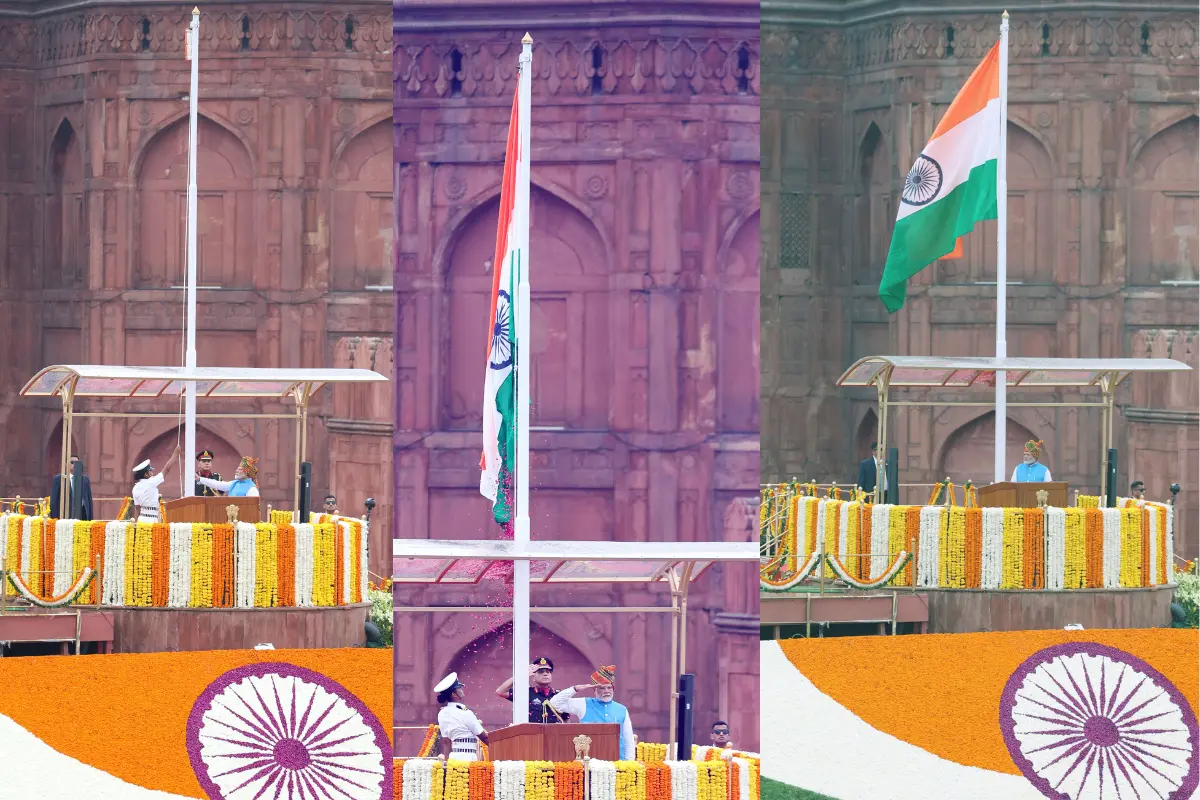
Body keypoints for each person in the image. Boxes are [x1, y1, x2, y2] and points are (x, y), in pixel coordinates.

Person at [549, 665, 635, 760]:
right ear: (595, 690)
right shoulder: (584, 704)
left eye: (609, 688)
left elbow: (628, 739)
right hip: (589, 762)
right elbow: (554, 703)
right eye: (602, 688)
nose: (606, 691)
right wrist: (575, 689)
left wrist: (629, 762)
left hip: (618, 761)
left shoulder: (622, 709)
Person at [495, 656, 571, 723]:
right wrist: (521, 675)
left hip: (554, 736)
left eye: (548, 672)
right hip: (531, 736)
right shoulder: (526, 693)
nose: (545, 674)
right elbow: (500, 691)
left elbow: (566, 720)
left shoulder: (559, 695)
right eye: (541, 672)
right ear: (533, 678)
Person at [435, 672, 488, 760]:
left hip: (453, 759)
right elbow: (484, 737)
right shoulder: (465, 713)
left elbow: (446, 742)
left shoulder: (442, 713)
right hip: (468, 759)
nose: (462, 689)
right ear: (454, 694)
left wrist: (447, 764)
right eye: (459, 688)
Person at [132, 446, 181, 523]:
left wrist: (135, 524)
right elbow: (167, 469)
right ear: (146, 474)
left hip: (141, 520)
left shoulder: (135, 487)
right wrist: (175, 454)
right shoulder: (151, 482)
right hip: (152, 520)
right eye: (150, 471)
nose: (152, 472)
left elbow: (137, 508)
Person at [49, 454, 94, 521]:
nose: (75, 464)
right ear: (66, 464)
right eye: (72, 462)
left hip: (82, 516)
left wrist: (90, 519)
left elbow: (89, 500)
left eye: (77, 462)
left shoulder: (85, 479)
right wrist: (54, 519)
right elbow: (54, 501)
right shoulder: (59, 479)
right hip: (65, 517)